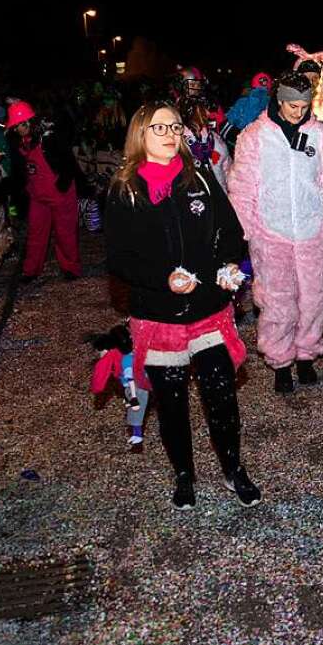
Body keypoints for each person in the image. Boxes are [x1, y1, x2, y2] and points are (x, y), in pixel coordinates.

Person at [104, 101, 260, 510]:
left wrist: (228, 264)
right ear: (140, 134)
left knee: (221, 393)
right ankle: (184, 475)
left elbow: (231, 230)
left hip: (208, 307)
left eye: (175, 127)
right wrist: (162, 280)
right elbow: (118, 259)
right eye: (159, 129)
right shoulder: (124, 188)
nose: (171, 135)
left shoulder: (200, 176)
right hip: (158, 315)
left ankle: (233, 468)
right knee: (171, 403)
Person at [227, 72, 323, 393]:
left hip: (313, 232)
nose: (298, 111)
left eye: (303, 105)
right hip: (271, 233)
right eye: (291, 105)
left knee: (315, 296)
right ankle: (281, 362)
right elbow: (242, 187)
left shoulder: (320, 135)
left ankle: (306, 354)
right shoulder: (254, 136)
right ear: (278, 100)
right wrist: (239, 230)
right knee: (277, 301)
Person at [5, 101, 84, 283]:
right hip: (37, 195)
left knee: (65, 233)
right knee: (36, 233)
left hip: (60, 193)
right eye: (17, 126)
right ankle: (31, 270)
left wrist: (61, 186)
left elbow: (69, 163)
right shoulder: (19, 144)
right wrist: (20, 195)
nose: (21, 129)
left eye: (23, 124)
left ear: (31, 122)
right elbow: (19, 172)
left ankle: (70, 267)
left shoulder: (49, 138)